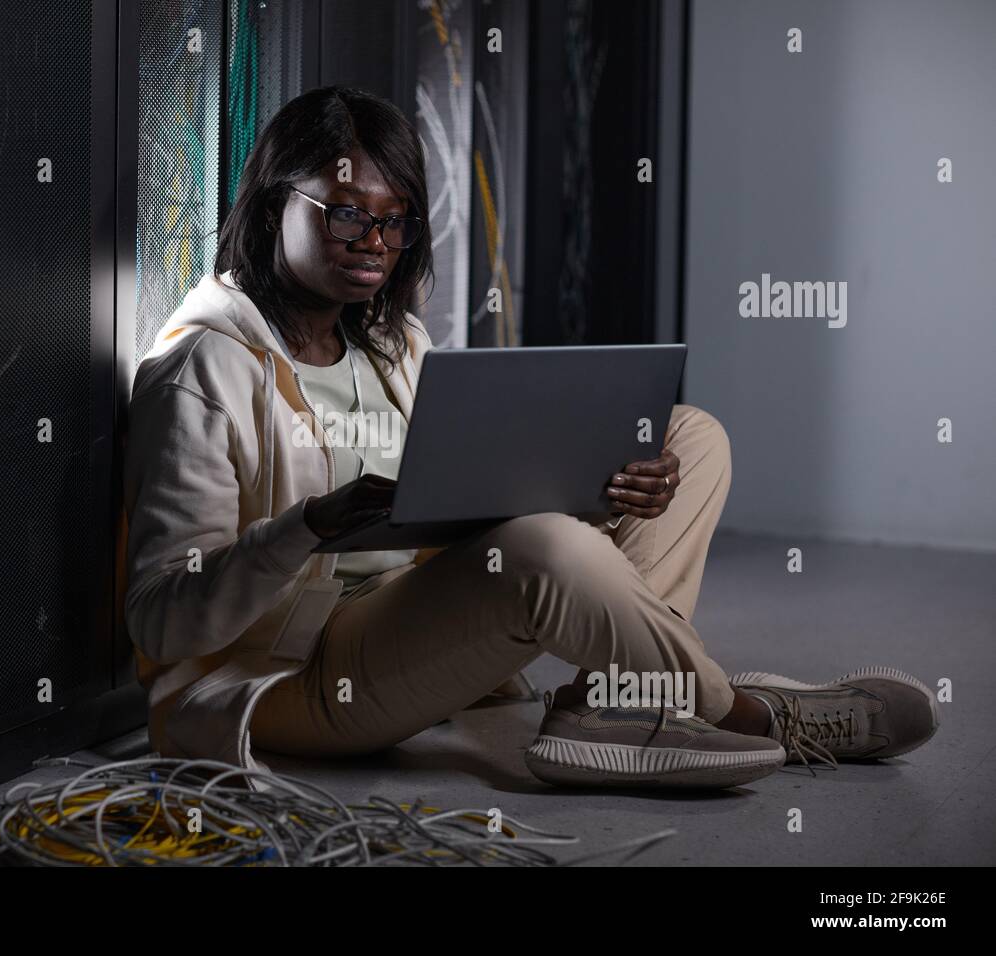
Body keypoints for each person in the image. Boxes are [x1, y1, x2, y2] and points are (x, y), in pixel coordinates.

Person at [122, 86, 938, 791]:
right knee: (543, 548)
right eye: (346, 214)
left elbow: (452, 506)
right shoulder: (203, 370)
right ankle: (751, 712)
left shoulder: (393, 342)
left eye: (396, 221)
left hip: (414, 619)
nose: (374, 242)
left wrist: (595, 486)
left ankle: (600, 706)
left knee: (688, 438)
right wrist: (305, 529)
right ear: (274, 207)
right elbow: (161, 623)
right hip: (297, 681)